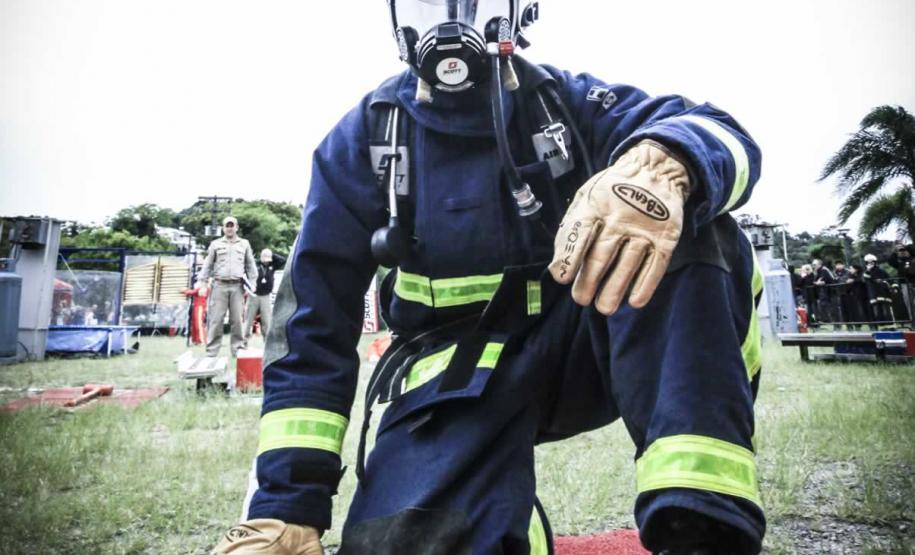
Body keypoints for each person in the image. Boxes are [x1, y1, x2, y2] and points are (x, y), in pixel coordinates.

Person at [213, 3, 765, 554]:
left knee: (675, 207)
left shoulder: (567, 105)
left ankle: (700, 525)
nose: (451, 12)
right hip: (454, 376)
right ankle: (492, 515)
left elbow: (715, 129)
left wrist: (661, 164)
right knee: (409, 543)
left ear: (519, 11)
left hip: (591, 352)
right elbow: (313, 323)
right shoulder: (367, 139)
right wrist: (285, 508)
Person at [198, 216, 257, 359]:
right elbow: (207, 265)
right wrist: (203, 283)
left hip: (237, 287)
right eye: (227, 226)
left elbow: (250, 266)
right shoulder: (215, 244)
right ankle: (212, 352)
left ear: (236, 227)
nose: (229, 228)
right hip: (219, 286)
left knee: (237, 320)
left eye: (232, 225)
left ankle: (237, 350)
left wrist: (253, 283)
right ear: (223, 228)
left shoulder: (244, 244)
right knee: (215, 319)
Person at [244, 248, 287, 343]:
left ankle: (267, 341)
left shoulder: (272, 265)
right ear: (262, 257)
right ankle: (244, 341)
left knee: (267, 321)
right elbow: (246, 271)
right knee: (248, 319)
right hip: (253, 296)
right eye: (265, 259)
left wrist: (272, 254)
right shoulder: (255, 264)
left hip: (266, 296)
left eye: (269, 259)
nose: (267, 262)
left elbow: (283, 260)